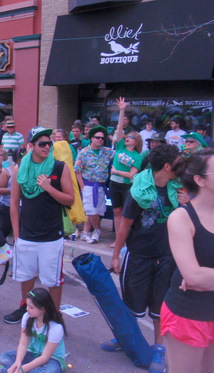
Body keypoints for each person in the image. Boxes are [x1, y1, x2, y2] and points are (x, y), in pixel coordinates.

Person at [108, 144, 187, 373]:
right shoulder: (138, 190)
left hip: (166, 256)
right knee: (130, 304)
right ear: (167, 166)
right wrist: (116, 255)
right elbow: (125, 225)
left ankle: (158, 351)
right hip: (139, 255)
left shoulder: (179, 188)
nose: (182, 165)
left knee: (160, 307)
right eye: (178, 162)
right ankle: (126, 340)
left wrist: (187, 203)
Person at [4, 127, 74, 324]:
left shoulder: (59, 167)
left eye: (49, 143)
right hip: (26, 235)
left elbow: (70, 200)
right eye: (41, 143)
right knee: (26, 277)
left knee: (53, 280)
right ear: (31, 146)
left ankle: (55, 315)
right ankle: (28, 311)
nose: (46, 147)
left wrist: (49, 188)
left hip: (52, 235)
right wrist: (17, 235)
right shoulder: (19, 169)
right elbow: (14, 205)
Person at [162, 148, 214, 373]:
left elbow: (199, 277)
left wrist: (205, 277)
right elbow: (193, 276)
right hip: (189, 314)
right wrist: (197, 277)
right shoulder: (181, 217)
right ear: (200, 180)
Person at [0, 288, 67, 373]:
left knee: (51, 370)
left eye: (31, 307)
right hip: (33, 354)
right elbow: (23, 343)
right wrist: (18, 362)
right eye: (27, 305)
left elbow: (45, 357)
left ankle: (3, 371)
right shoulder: (27, 317)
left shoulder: (56, 328)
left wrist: (23, 369)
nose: (27, 309)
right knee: (5, 357)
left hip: (52, 358)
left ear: (43, 309)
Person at [109, 97, 143, 247]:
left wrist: (116, 171)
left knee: (126, 214)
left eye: (130, 138)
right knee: (116, 212)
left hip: (126, 186)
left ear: (136, 142)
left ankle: (126, 239)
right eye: (127, 137)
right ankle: (118, 240)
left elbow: (132, 175)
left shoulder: (137, 156)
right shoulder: (120, 147)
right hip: (114, 184)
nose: (127, 138)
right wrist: (122, 109)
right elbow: (120, 128)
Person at [74, 124, 114, 244]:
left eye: (102, 138)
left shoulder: (107, 152)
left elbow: (120, 152)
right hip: (89, 185)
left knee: (98, 210)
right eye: (97, 137)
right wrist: (82, 187)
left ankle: (86, 232)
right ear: (91, 138)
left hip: (101, 185)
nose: (100, 140)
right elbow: (77, 170)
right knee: (91, 211)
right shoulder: (84, 152)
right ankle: (96, 230)